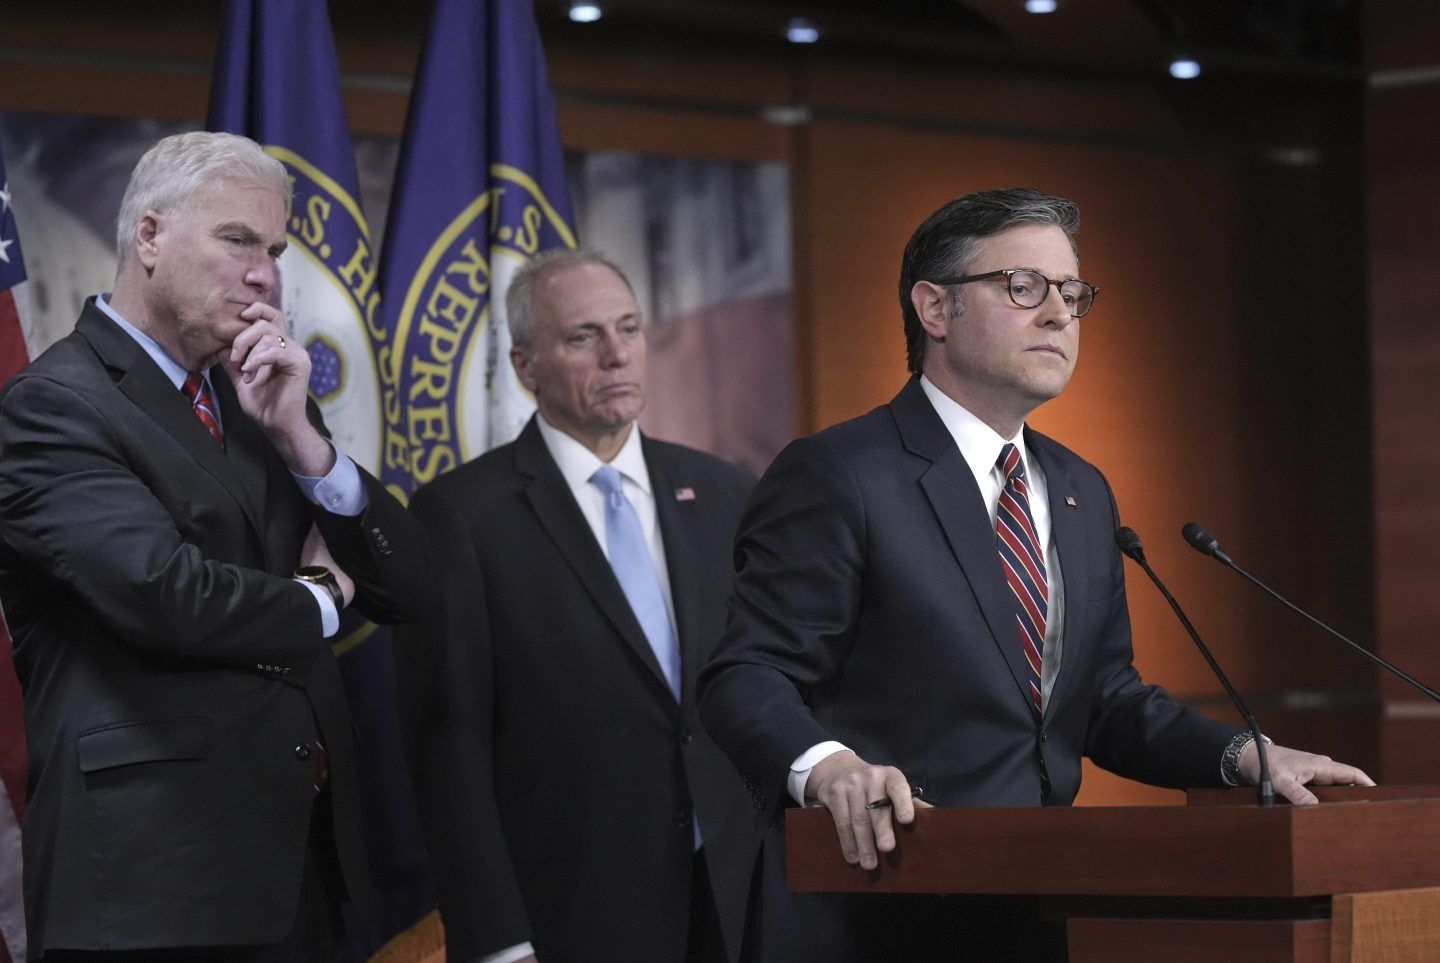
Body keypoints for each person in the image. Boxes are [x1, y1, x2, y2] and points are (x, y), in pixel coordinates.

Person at [696, 188, 1373, 960]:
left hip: (1032, 908)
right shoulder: (841, 474)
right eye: (1024, 286)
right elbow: (745, 674)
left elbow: (1104, 701)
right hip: (872, 908)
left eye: (1073, 293)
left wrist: (1248, 755)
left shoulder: (1080, 488)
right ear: (934, 308)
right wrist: (829, 769)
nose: (1059, 313)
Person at [0, 131, 432, 961]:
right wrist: (321, 596)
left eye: (273, 249)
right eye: (237, 239)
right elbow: (168, 596)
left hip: (300, 874)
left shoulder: (257, 396)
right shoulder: (52, 404)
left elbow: (409, 586)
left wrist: (310, 449)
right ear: (151, 237)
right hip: (154, 887)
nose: (265, 272)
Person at [395, 249, 759, 963]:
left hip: (733, 904)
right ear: (527, 366)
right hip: (572, 914)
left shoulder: (722, 492)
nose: (617, 355)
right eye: (583, 337)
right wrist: (497, 940)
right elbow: (450, 754)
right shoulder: (461, 517)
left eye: (628, 328)